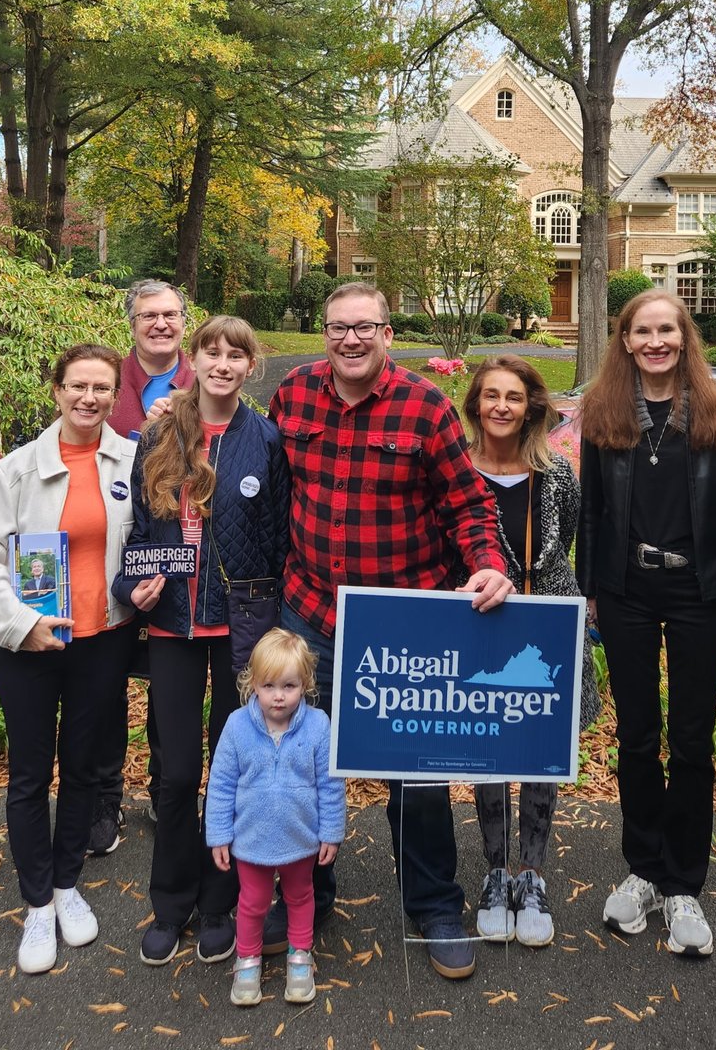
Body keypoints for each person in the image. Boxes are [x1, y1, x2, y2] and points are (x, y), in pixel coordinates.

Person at [268, 282, 514, 980]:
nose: (351, 339)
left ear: (387, 332)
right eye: (339, 327)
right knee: (303, 767)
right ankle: (306, 897)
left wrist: (489, 565)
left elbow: (469, 508)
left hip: (407, 624)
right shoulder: (293, 395)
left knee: (418, 778)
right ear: (324, 332)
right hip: (310, 614)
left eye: (365, 327)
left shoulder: (424, 405)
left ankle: (435, 905)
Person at [577, 290, 716, 958]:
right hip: (626, 591)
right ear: (624, 340)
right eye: (642, 331)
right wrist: (593, 590)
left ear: (685, 339)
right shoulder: (605, 411)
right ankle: (643, 869)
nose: (655, 342)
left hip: (699, 592)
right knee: (636, 736)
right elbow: (592, 512)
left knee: (689, 739)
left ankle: (683, 883)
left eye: (667, 331)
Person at [112, 315, 290, 969]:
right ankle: (171, 904)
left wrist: (271, 625)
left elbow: (277, 542)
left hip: (240, 628)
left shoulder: (263, 439)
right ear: (194, 360)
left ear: (250, 365)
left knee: (233, 773)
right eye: (210, 351)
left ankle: (221, 906)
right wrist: (136, 586)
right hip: (174, 628)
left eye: (234, 354)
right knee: (178, 772)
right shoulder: (160, 431)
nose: (221, 363)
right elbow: (136, 529)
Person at [0, 344, 136, 975]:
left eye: (101, 389)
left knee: (84, 768)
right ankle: (36, 902)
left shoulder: (132, 462)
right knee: (31, 774)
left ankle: (67, 885)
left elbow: (151, 541)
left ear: (115, 397)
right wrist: (21, 623)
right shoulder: (15, 471)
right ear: (56, 390)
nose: (89, 398)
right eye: (77, 386)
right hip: (31, 643)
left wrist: (144, 587)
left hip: (103, 639)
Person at [461, 355, 602, 948]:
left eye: (513, 397)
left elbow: (565, 540)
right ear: (474, 405)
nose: (501, 406)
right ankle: (495, 871)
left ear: (531, 406)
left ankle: (532, 874)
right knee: (489, 755)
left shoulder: (558, 475)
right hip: (480, 625)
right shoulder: (459, 472)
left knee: (542, 751)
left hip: (546, 626)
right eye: (490, 395)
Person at [88, 280, 197, 857]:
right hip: (107, 552)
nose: (161, 324)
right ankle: (104, 798)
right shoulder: (105, 380)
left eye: (171, 314)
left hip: (175, 558)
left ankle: (163, 789)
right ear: (131, 322)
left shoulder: (205, 380)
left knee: (168, 686)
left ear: (185, 321)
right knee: (104, 684)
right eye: (149, 315)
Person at [206, 629, 346, 1007]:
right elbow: (220, 784)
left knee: (301, 897)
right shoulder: (236, 726)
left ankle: (300, 956)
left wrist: (331, 831)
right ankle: (247, 959)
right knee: (252, 902)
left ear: (306, 685)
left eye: (289, 685)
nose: (279, 695)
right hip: (251, 839)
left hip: (301, 838)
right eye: (269, 685)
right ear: (252, 684)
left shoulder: (318, 726)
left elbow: (331, 786)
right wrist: (218, 833)